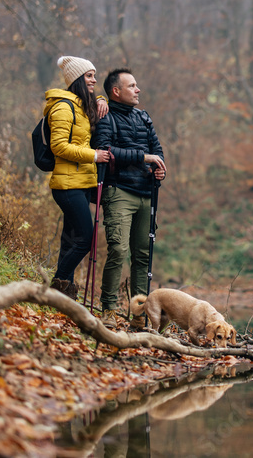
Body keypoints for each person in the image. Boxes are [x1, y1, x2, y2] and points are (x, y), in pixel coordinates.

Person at [91, 68, 166, 322]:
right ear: (116, 91)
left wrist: (159, 170)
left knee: (143, 254)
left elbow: (157, 150)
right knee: (118, 250)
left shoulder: (144, 118)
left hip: (146, 192)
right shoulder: (105, 117)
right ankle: (109, 310)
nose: (138, 89)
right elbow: (105, 150)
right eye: (132, 86)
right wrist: (143, 157)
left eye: (136, 85)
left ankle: (138, 314)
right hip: (119, 191)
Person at [45, 55, 112, 299]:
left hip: (81, 183)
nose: (94, 80)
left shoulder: (82, 105)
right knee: (85, 239)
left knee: (70, 239)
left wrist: (102, 99)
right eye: (89, 76)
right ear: (77, 80)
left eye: (94, 75)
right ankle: (58, 286)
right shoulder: (63, 108)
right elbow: (59, 146)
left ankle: (62, 298)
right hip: (67, 185)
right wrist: (94, 155)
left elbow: (98, 104)